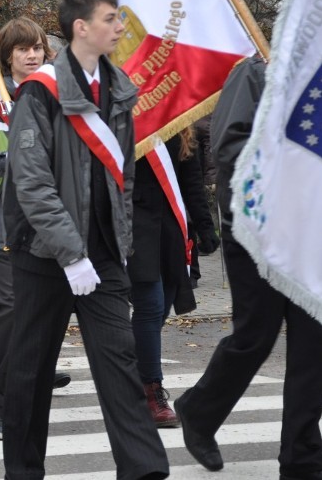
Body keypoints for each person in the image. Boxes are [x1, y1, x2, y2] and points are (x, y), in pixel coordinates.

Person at [1, 0, 169, 479]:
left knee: (121, 360)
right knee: (30, 372)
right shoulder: (40, 90)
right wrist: (71, 254)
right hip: (44, 256)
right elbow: (31, 181)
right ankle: (24, 472)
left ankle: (143, 469)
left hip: (104, 255)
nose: (120, 27)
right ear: (82, 27)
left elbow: (125, 175)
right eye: (111, 19)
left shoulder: (118, 87)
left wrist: (116, 242)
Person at [175, 57, 322, 480]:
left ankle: (302, 458)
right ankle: (199, 410)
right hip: (257, 230)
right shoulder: (258, 68)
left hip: (310, 236)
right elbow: (229, 147)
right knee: (256, 334)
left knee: (314, 345)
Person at [0, 16, 70, 441]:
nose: (31, 54)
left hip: (50, 225)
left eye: (37, 47)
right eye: (22, 49)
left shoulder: (59, 96)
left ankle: (28, 386)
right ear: (7, 55)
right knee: (10, 312)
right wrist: (10, 162)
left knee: (40, 313)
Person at [128, 127, 219, 428]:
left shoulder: (179, 118)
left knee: (160, 308)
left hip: (170, 228)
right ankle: (151, 393)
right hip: (133, 225)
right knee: (150, 306)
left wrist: (205, 226)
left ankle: (130, 370)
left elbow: (190, 180)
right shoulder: (123, 112)